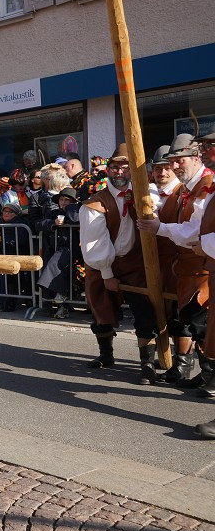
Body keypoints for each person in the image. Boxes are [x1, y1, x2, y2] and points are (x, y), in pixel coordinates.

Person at [137, 134, 214, 393]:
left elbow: (196, 231)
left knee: (203, 323)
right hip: (190, 267)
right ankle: (206, 374)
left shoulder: (207, 185)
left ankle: (210, 379)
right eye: (173, 162)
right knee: (196, 322)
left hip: (202, 268)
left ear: (195, 158)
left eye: (179, 161)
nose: (175, 167)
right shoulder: (192, 186)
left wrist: (160, 228)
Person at [80, 153, 159, 383]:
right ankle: (106, 355)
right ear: (108, 171)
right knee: (100, 309)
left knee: (144, 311)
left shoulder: (146, 195)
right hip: (102, 263)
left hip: (134, 264)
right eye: (115, 168)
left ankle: (147, 365)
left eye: (125, 168)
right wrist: (107, 274)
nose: (120, 173)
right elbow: (96, 242)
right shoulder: (95, 203)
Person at [149, 145, 189, 382]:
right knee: (159, 310)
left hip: (181, 262)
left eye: (166, 168)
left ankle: (184, 362)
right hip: (156, 263)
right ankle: (168, 355)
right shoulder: (150, 194)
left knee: (182, 314)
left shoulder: (184, 193)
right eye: (157, 169)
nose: (162, 173)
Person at [35, 187, 81, 319]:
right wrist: (53, 223)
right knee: (55, 273)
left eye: (67, 200)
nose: (63, 202)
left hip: (71, 249)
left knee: (54, 269)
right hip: (53, 248)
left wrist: (71, 207)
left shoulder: (76, 211)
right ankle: (52, 304)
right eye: (62, 199)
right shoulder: (53, 212)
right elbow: (38, 224)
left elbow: (74, 219)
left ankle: (62, 302)